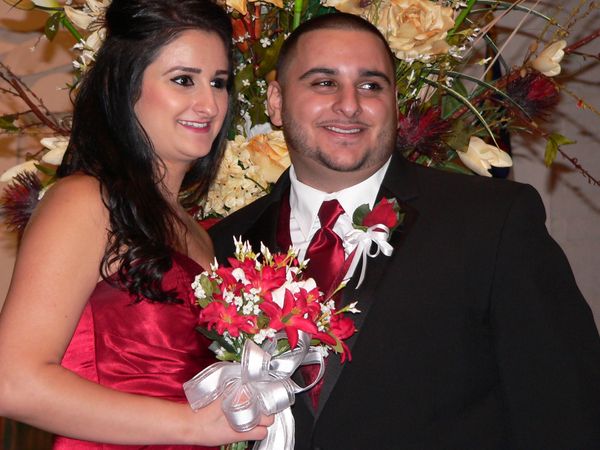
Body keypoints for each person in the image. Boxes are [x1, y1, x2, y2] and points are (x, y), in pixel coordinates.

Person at [209, 12, 600, 450]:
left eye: (371, 86)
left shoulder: (491, 222)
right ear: (276, 101)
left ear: (395, 103)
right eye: (324, 82)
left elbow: (566, 409)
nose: (350, 104)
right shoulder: (223, 245)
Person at [0, 0, 272, 448]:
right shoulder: (87, 201)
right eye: (183, 80)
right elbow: (14, 382)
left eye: (219, 82)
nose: (208, 103)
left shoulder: (197, 233)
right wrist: (189, 425)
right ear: (125, 86)